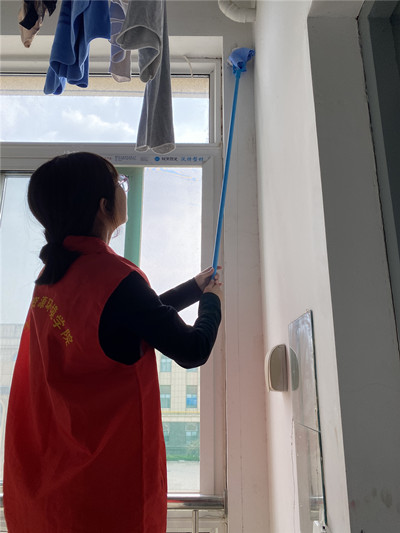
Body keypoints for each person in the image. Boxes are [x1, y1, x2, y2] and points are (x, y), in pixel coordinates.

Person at [3, 152, 222, 533]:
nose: (124, 188)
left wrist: (193, 288)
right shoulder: (114, 278)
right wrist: (213, 302)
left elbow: (127, 320)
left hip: (52, 486)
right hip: (104, 494)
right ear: (104, 206)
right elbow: (192, 349)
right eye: (118, 182)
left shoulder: (53, 276)